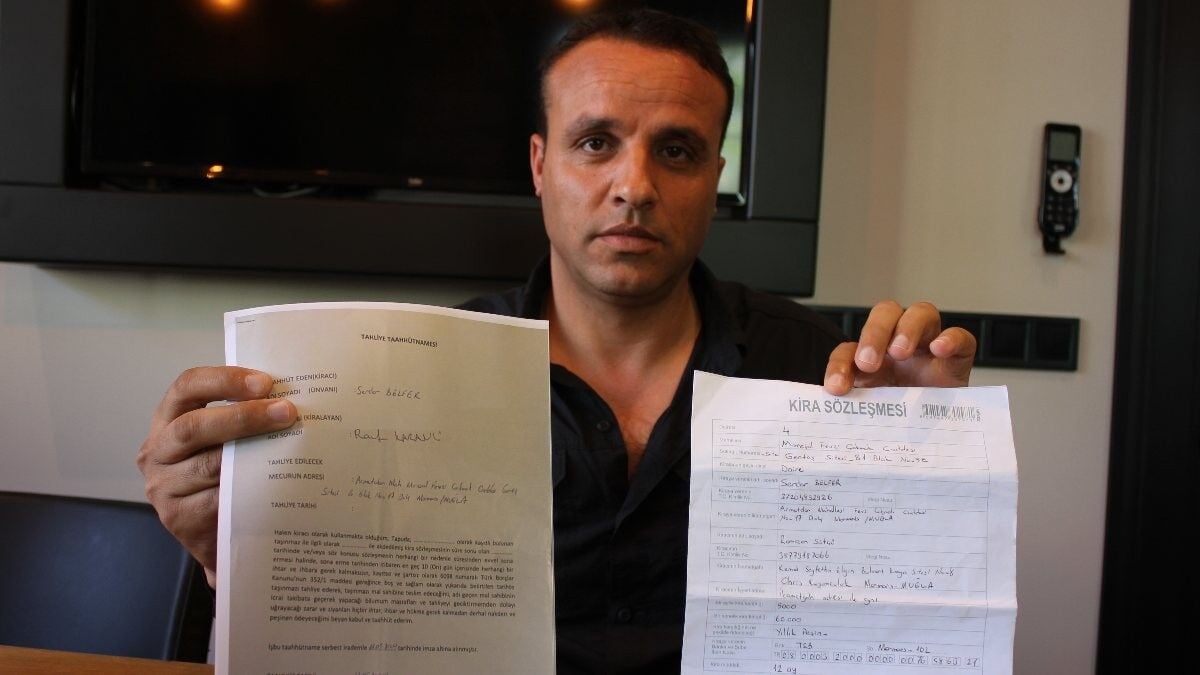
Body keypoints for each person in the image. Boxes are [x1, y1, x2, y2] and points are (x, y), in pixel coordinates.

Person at [137, 9, 975, 674]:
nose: (634, 186)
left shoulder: (822, 372)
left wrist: (923, 478)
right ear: (540, 165)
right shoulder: (410, 380)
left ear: (713, 178)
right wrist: (233, 558)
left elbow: (883, 636)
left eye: (676, 150)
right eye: (596, 142)